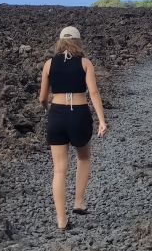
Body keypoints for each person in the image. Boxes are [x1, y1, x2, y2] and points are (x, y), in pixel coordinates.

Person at [39, 25, 108, 230]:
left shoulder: (48, 64)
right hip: (79, 114)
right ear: (78, 42)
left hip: (57, 115)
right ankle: (78, 203)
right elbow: (93, 93)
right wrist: (102, 120)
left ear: (60, 42)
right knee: (83, 157)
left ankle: (61, 220)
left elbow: (42, 97)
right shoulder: (85, 63)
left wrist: (47, 108)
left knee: (59, 170)